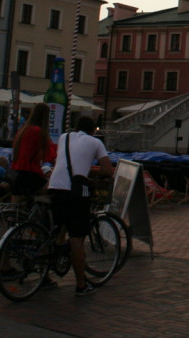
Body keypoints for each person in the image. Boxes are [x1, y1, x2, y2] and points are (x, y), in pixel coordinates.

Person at [47, 116, 113, 296]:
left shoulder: (63, 137)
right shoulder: (95, 142)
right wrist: (90, 171)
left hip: (54, 187)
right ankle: (81, 284)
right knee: (77, 238)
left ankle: (47, 269)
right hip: (74, 192)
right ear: (93, 130)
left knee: (56, 228)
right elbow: (107, 170)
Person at [10, 103, 57, 197]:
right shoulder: (38, 131)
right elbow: (49, 155)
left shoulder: (23, 130)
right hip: (30, 174)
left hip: (17, 173)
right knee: (54, 190)